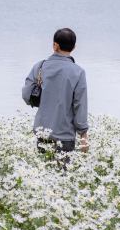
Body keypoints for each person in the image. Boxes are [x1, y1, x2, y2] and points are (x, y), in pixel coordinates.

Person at [22, 27, 89, 155]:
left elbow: (26, 95)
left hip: (42, 131)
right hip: (65, 135)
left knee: (43, 171)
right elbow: (80, 105)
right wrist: (83, 135)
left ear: (55, 45)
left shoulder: (40, 66)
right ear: (74, 48)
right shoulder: (78, 72)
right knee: (63, 173)